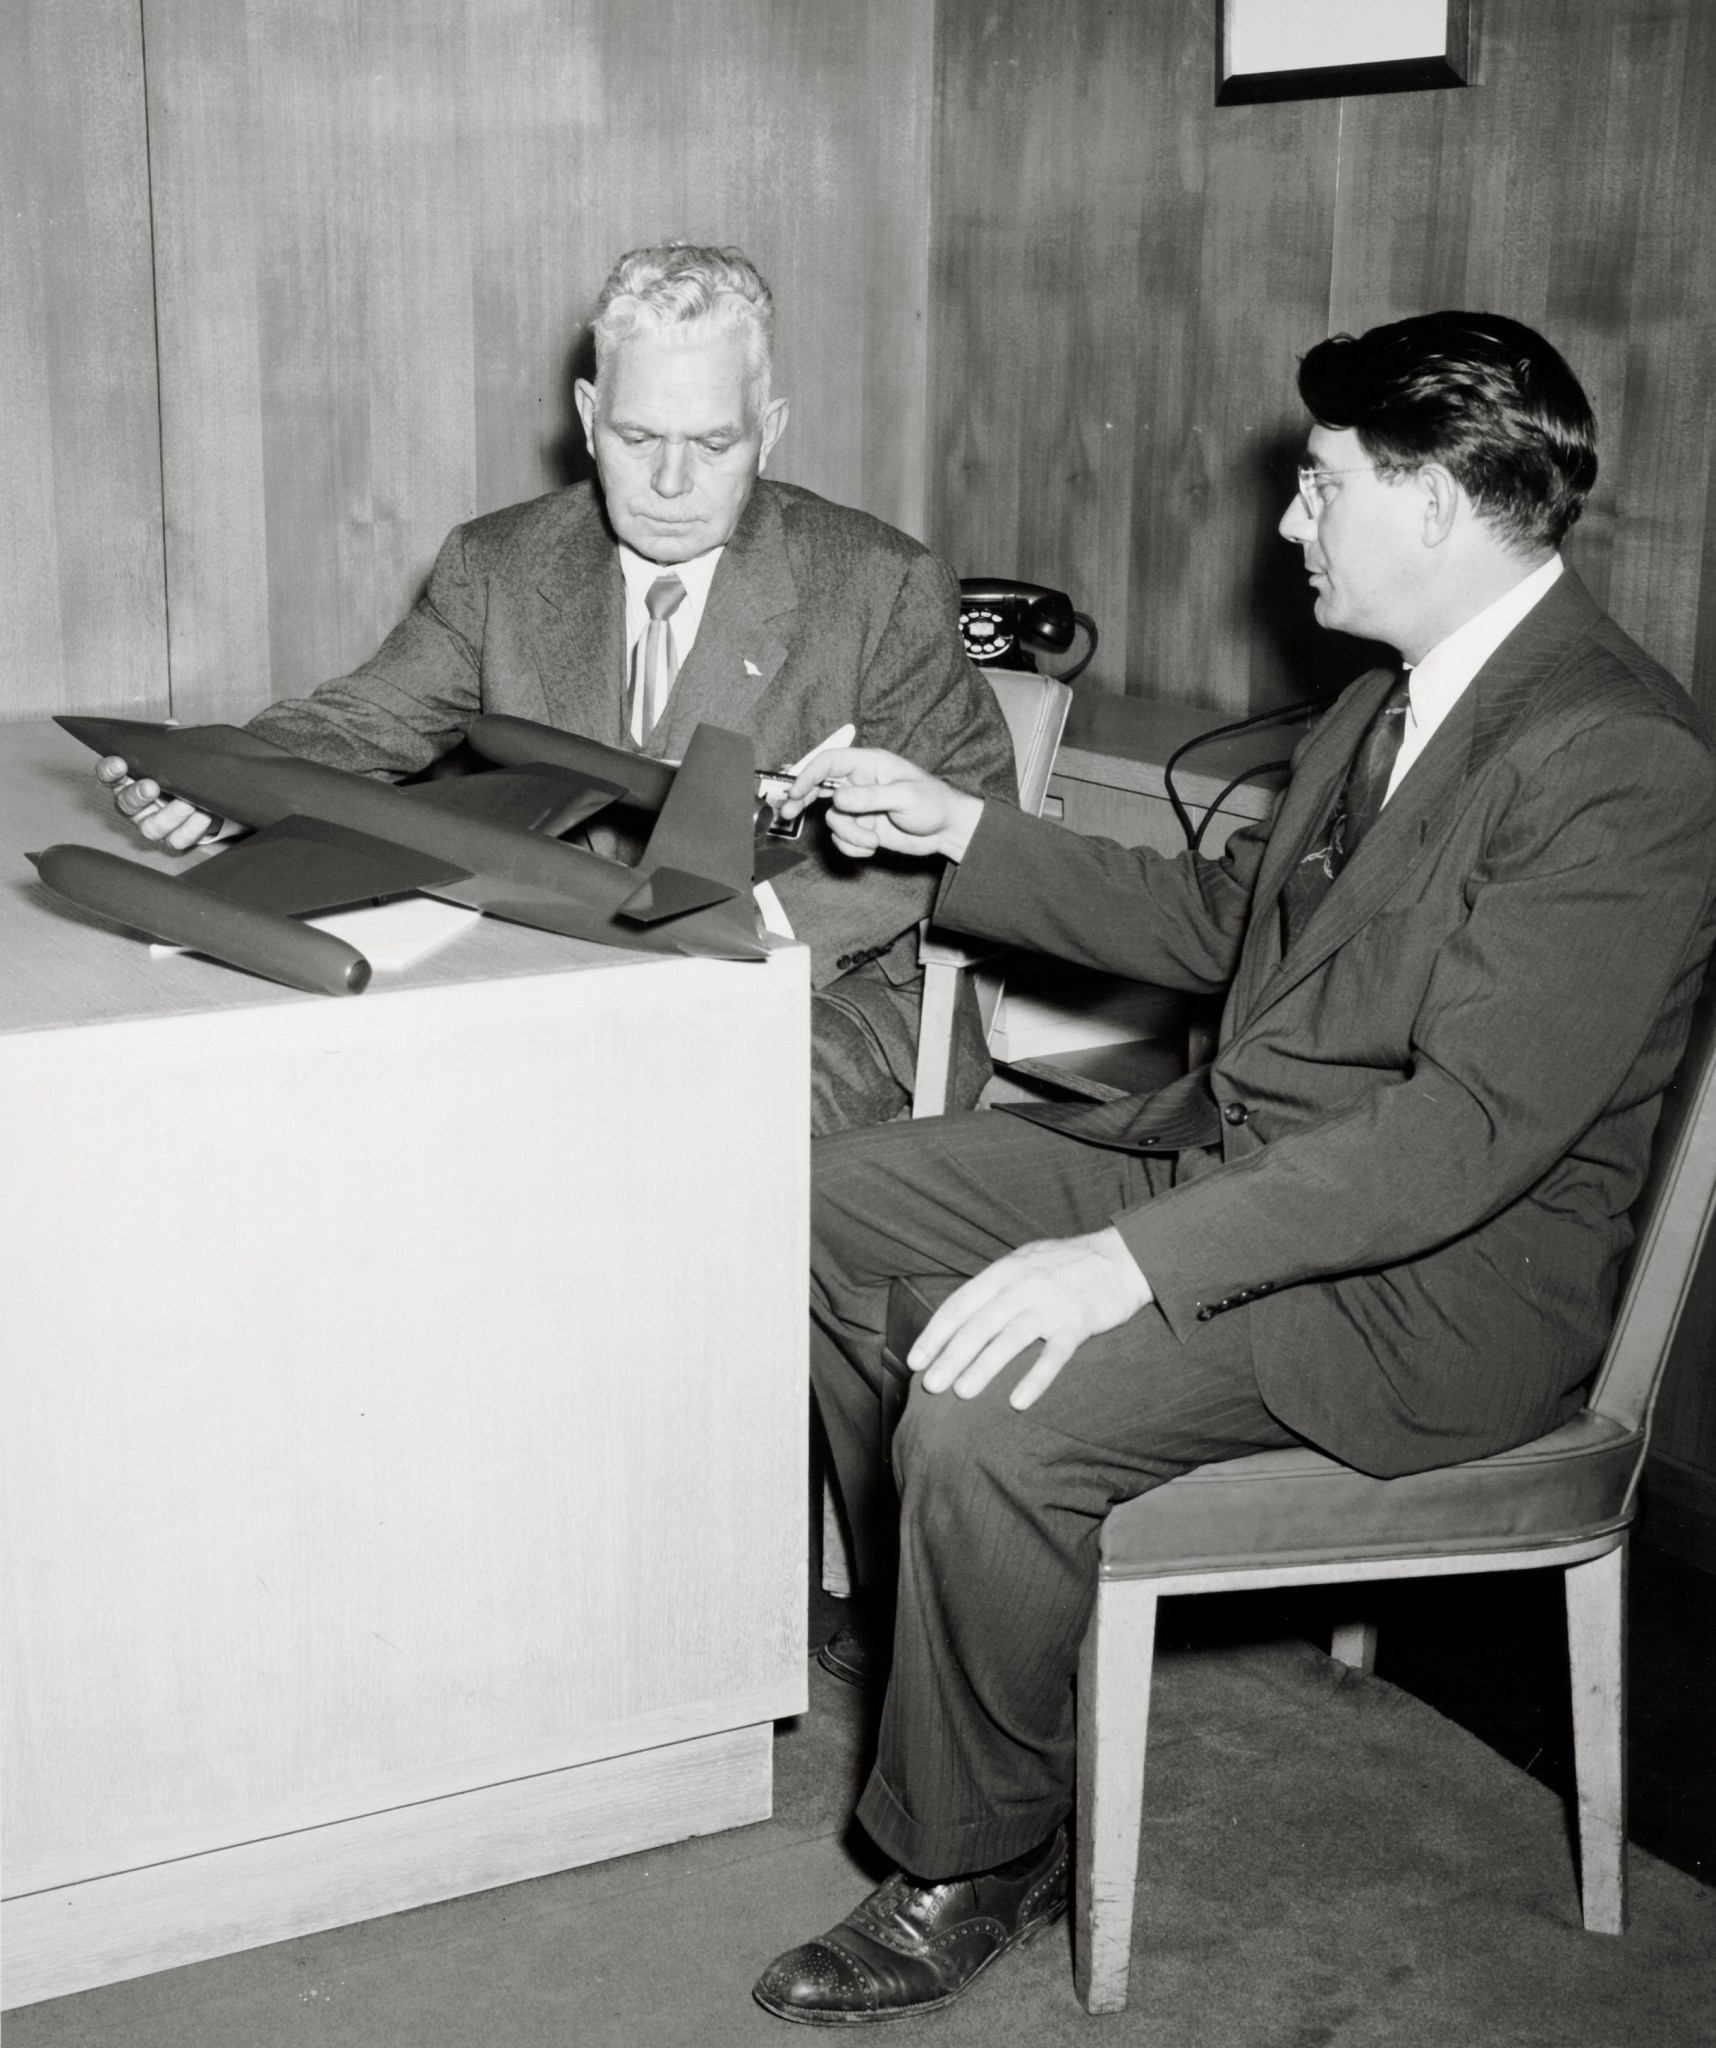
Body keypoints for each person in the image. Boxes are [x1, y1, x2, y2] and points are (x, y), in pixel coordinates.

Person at [751, 311, 1716, 2023]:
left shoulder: (1616, 760)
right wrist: (958, 827)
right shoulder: (1382, 705)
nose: (1288, 520)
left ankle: (979, 1843)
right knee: (819, 1204)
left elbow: (1465, 1133)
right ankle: (954, 1618)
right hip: (1254, 1177)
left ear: (1430, 500)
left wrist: (1121, 1263)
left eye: (1320, 484)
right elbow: (1234, 929)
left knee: (992, 1408)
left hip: (1427, 1287)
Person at [98, 244, 1016, 1133]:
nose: (670, 482)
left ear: (768, 431)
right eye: (637, 435)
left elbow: (971, 822)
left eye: (714, 443)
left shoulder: (880, 584)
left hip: (829, 988)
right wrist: (218, 784)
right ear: (586, 416)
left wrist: (713, 933)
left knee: (647, 1132)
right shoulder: (496, 566)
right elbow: (362, 720)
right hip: (559, 963)